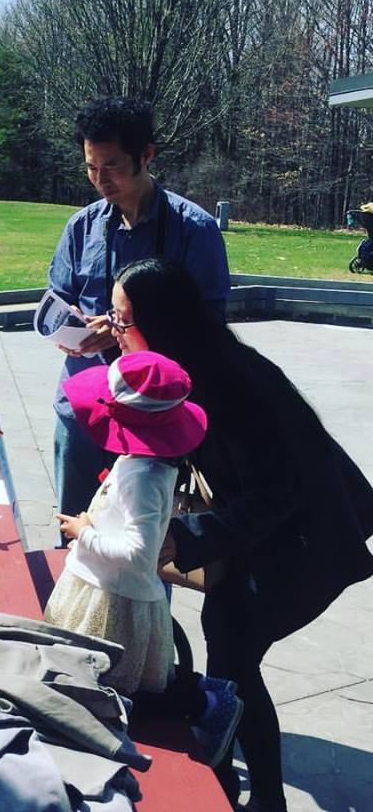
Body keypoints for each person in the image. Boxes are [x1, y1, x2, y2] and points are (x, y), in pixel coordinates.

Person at [107, 257, 373, 812]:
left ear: (161, 324)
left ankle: (244, 794)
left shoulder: (229, 386)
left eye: (119, 320)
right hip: (270, 533)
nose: (112, 330)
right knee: (230, 658)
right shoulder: (193, 361)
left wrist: (186, 538)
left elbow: (275, 498)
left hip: (304, 542)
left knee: (231, 661)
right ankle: (250, 791)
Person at [46, 350, 242, 768]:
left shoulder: (143, 476)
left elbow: (139, 555)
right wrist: (92, 523)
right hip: (104, 589)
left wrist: (86, 534)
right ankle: (203, 693)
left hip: (114, 600)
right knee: (111, 681)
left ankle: (207, 702)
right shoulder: (147, 465)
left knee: (119, 691)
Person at [47, 97, 230, 519]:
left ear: (146, 154)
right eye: (91, 167)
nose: (100, 180)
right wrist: (70, 329)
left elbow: (210, 327)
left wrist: (122, 330)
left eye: (111, 165)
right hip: (83, 412)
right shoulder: (81, 227)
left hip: (154, 419)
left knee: (146, 547)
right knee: (78, 539)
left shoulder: (193, 231)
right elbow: (58, 298)